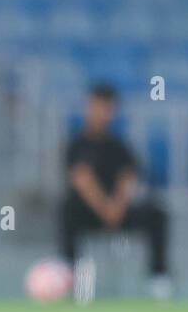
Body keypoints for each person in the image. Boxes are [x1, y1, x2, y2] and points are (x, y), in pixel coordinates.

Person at [58, 84, 170, 300]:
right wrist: (104, 208)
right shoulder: (77, 145)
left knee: (156, 213)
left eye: (107, 107)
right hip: (89, 212)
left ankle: (159, 279)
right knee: (67, 209)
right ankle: (69, 275)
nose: (103, 113)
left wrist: (116, 207)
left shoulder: (120, 147)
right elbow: (82, 179)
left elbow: (128, 179)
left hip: (119, 210)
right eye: (98, 106)